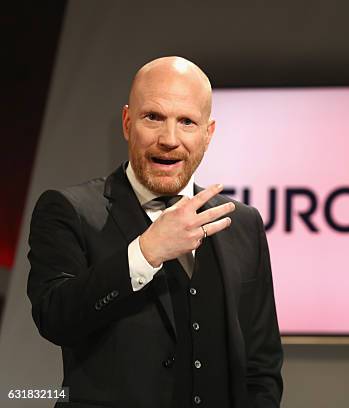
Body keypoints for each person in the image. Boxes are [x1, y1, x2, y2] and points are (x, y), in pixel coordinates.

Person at [26, 56, 283, 408]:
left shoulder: (243, 224)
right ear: (127, 122)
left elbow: (261, 363)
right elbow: (55, 319)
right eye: (153, 117)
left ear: (208, 134)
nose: (169, 139)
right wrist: (145, 253)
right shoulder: (68, 210)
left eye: (187, 122)